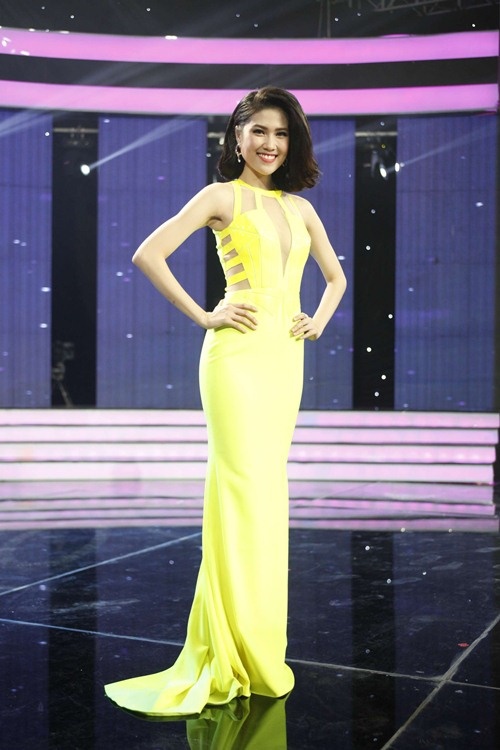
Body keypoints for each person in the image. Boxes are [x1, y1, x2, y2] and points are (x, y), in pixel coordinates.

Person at [104, 86, 347, 717]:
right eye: (259, 130)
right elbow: (148, 253)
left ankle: (258, 646)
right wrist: (206, 315)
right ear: (237, 136)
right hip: (235, 359)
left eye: (282, 134)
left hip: (283, 360)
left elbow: (336, 277)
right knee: (240, 491)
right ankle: (228, 648)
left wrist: (317, 320)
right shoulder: (221, 197)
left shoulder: (299, 208)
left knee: (267, 495)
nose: (270, 143)